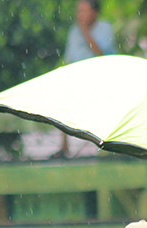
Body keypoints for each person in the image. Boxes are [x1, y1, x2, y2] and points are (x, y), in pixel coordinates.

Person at [56, 0, 116, 157]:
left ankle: (105, 148)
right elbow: (69, 60)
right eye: (79, 11)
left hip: (101, 79)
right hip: (78, 79)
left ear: (95, 12)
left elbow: (101, 54)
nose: (80, 15)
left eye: (84, 11)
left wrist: (85, 32)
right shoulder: (73, 32)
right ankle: (64, 147)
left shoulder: (105, 28)